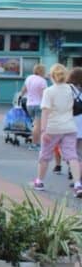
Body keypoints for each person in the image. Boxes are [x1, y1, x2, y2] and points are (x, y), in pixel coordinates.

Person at [32, 64, 82, 197]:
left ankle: (39, 181)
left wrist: (43, 131)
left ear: (52, 76)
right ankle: (78, 185)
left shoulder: (49, 91)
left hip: (53, 128)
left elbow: (45, 112)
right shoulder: (71, 89)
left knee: (45, 156)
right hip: (70, 127)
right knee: (72, 156)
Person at [20, 64, 48, 151]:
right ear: (42, 71)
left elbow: (23, 90)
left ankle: (36, 142)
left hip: (29, 104)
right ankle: (35, 144)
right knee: (37, 126)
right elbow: (44, 95)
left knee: (35, 124)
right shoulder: (42, 81)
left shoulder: (29, 78)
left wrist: (20, 98)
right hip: (39, 104)